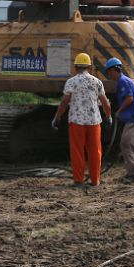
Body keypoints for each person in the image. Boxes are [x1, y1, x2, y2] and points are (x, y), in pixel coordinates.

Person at [51, 53, 111, 188]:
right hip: (94, 122)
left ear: (76, 67)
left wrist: (57, 117)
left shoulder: (71, 82)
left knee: (77, 150)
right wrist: (109, 116)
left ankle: (78, 181)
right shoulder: (97, 82)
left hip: (76, 122)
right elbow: (105, 103)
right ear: (89, 67)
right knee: (95, 151)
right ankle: (95, 181)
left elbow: (64, 102)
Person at [104, 58, 134, 183]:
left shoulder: (123, 81)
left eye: (109, 72)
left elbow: (129, 99)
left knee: (126, 144)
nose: (109, 75)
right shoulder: (124, 81)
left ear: (115, 70)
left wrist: (119, 111)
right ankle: (133, 172)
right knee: (132, 146)